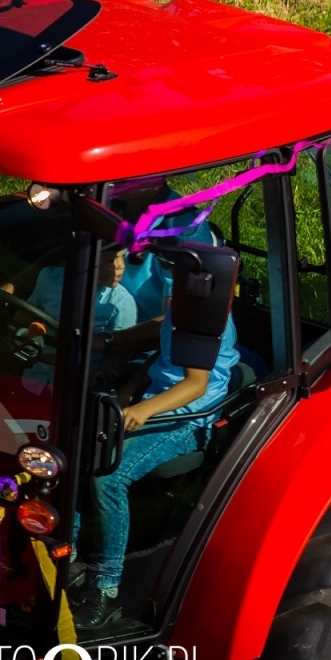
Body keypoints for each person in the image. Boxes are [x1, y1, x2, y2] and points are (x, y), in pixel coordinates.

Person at [75, 239, 240, 630]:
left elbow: (195, 385)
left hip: (185, 420)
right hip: (155, 400)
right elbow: (163, 356)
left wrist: (142, 410)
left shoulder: (204, 316)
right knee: (77, 452)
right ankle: (68, 558)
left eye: (175, 269)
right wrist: (129, 389)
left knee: (108, 477)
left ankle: (106, 587)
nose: (168, 274)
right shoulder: (183, 304)